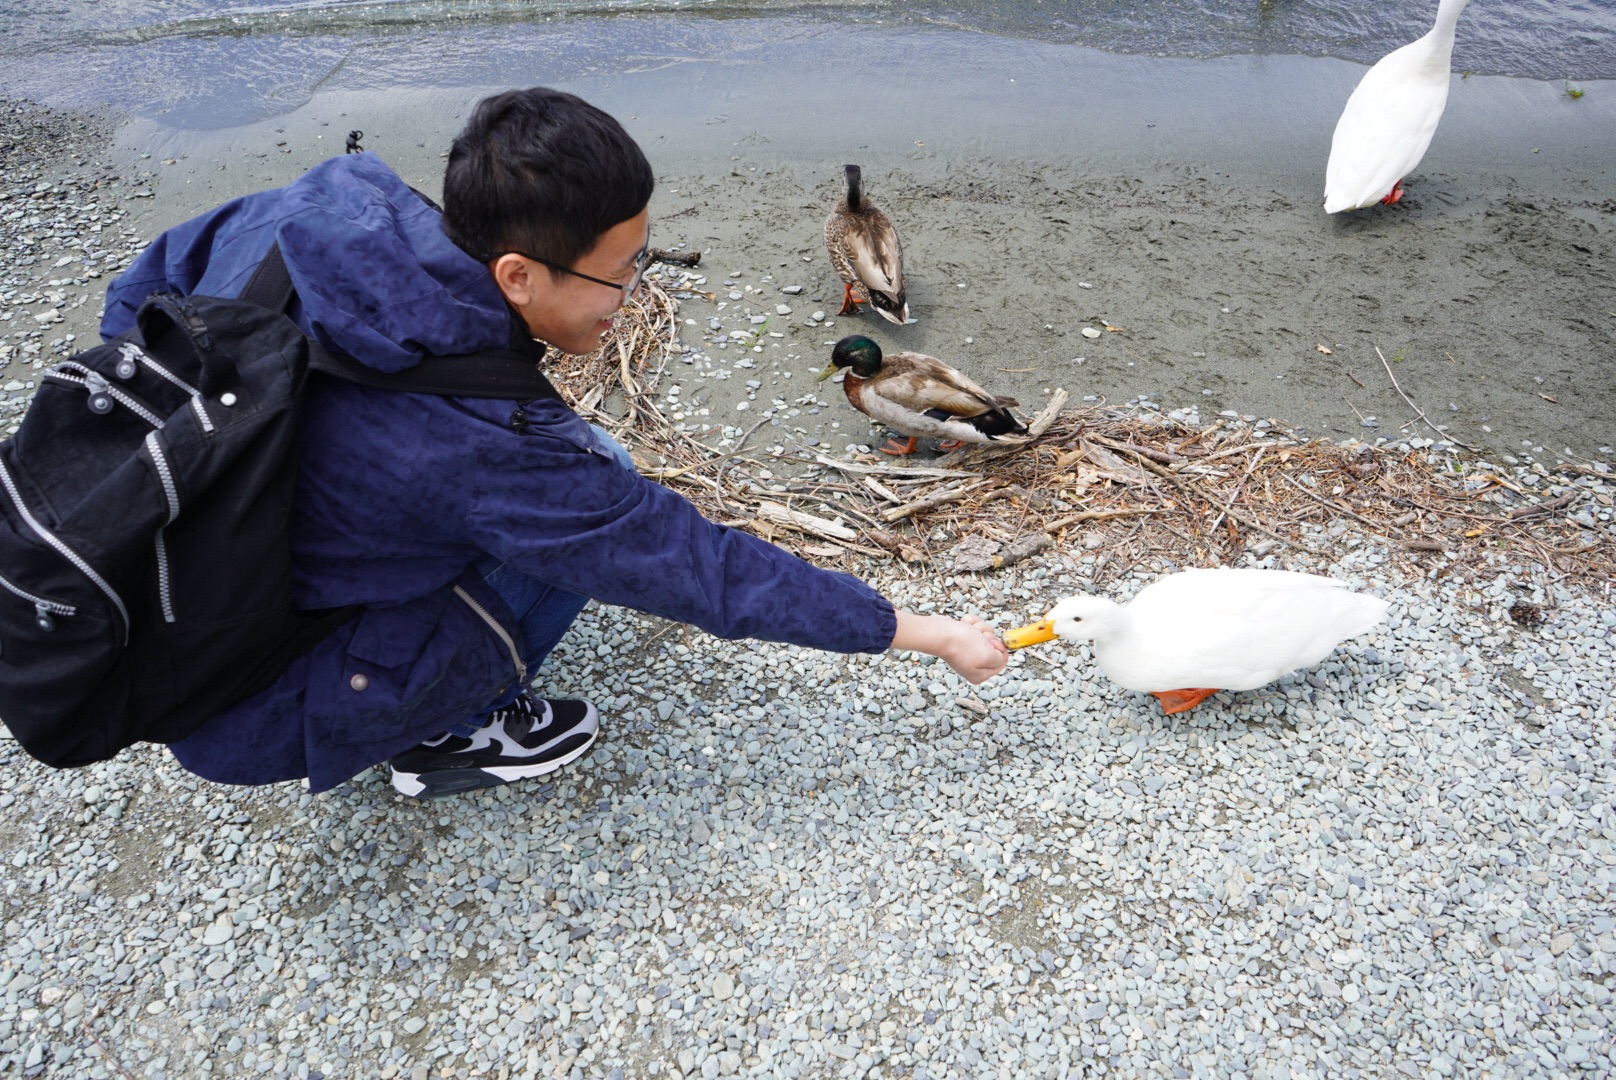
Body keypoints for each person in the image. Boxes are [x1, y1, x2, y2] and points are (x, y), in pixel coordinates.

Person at [100, 87, 1008, 799]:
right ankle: (445, 738)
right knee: (597, 496)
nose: (629, 299)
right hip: (250, 705)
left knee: (573, 488)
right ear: (517, 274)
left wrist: (263, 458)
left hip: (170, 585)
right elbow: (698, 568)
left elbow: (136, 298)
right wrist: (918, 632)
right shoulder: (489, 447)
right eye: (619, 274)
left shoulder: (312, 214)